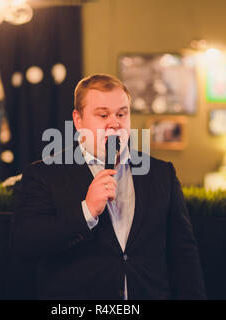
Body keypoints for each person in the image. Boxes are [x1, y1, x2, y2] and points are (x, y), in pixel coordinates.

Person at [12, 74, 206, 299]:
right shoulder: (44, 174)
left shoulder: (161, 173)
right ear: (78, 120)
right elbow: (25, 244)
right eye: (103, 115)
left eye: (122, 114)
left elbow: (183, 252)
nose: (114, 123)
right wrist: (87, 211)